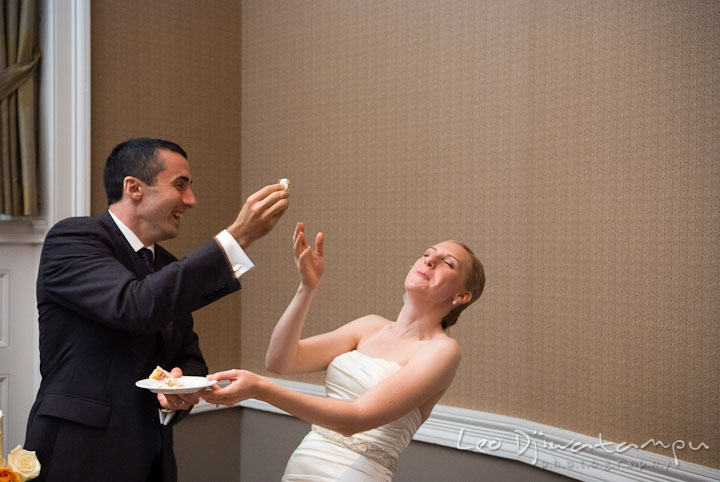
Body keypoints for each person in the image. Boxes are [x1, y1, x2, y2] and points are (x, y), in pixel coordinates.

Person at [24, 138, 288, 482]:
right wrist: (236, 239)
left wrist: (177, 392)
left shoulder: (166, 265)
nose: (191, 201)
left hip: (153, 457)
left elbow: (190, 356)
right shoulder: (73, 239)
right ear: (134, 188)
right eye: (180, 185)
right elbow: (134, 306)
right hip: (78, 454)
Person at [203, 222, 485, 481]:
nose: (430, 260)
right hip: (304, 465)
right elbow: (280, 361)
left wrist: (261, 390)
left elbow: (355, 419)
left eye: (447, 263)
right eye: (428, 254)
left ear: (461, 297)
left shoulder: (442, 351)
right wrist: (307, 287)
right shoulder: (370, 326)